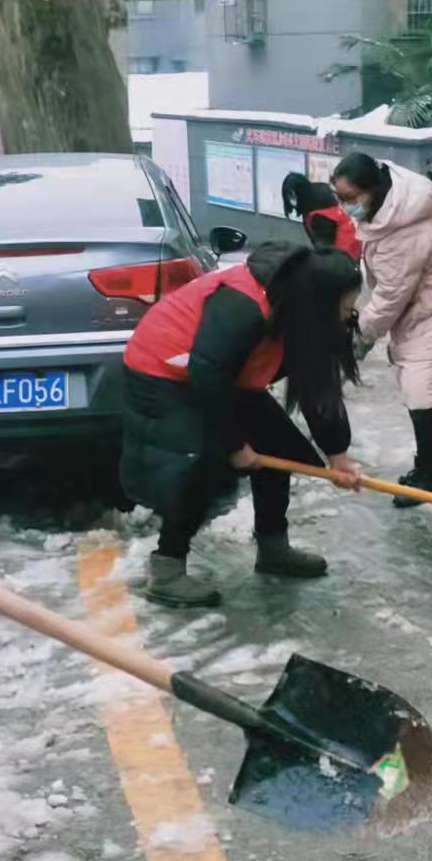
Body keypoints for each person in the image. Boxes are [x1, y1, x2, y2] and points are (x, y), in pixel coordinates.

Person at [119, 242, 365, 608]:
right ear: (317, 301)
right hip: (167, 371)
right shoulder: (242, 306)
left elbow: (317, 386)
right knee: (203, 464)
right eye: (345, 308)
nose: (350, 316)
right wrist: (233, 444)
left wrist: (337, 453)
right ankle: (167, 569)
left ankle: (273, 549)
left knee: (278, 448)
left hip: (225, 376)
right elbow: (208, 373)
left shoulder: (303, 312)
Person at [331, 152, 432, 499]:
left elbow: (391, 296)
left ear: (372, 189)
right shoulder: (387, 207)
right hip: (427, 303)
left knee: (421, 388)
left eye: (350, 199)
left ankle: (429, 475)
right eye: (339, 198)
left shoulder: (405, 228)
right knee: (421, 389)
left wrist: (360, 336)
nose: (344, 207)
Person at [280, 170, 361, 258]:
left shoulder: (317, 215)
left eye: (292, 195)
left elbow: (325, 250)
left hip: (345, 250)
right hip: (353, 240)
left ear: (299, 192)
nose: (291, 201)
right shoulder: (315, 191)